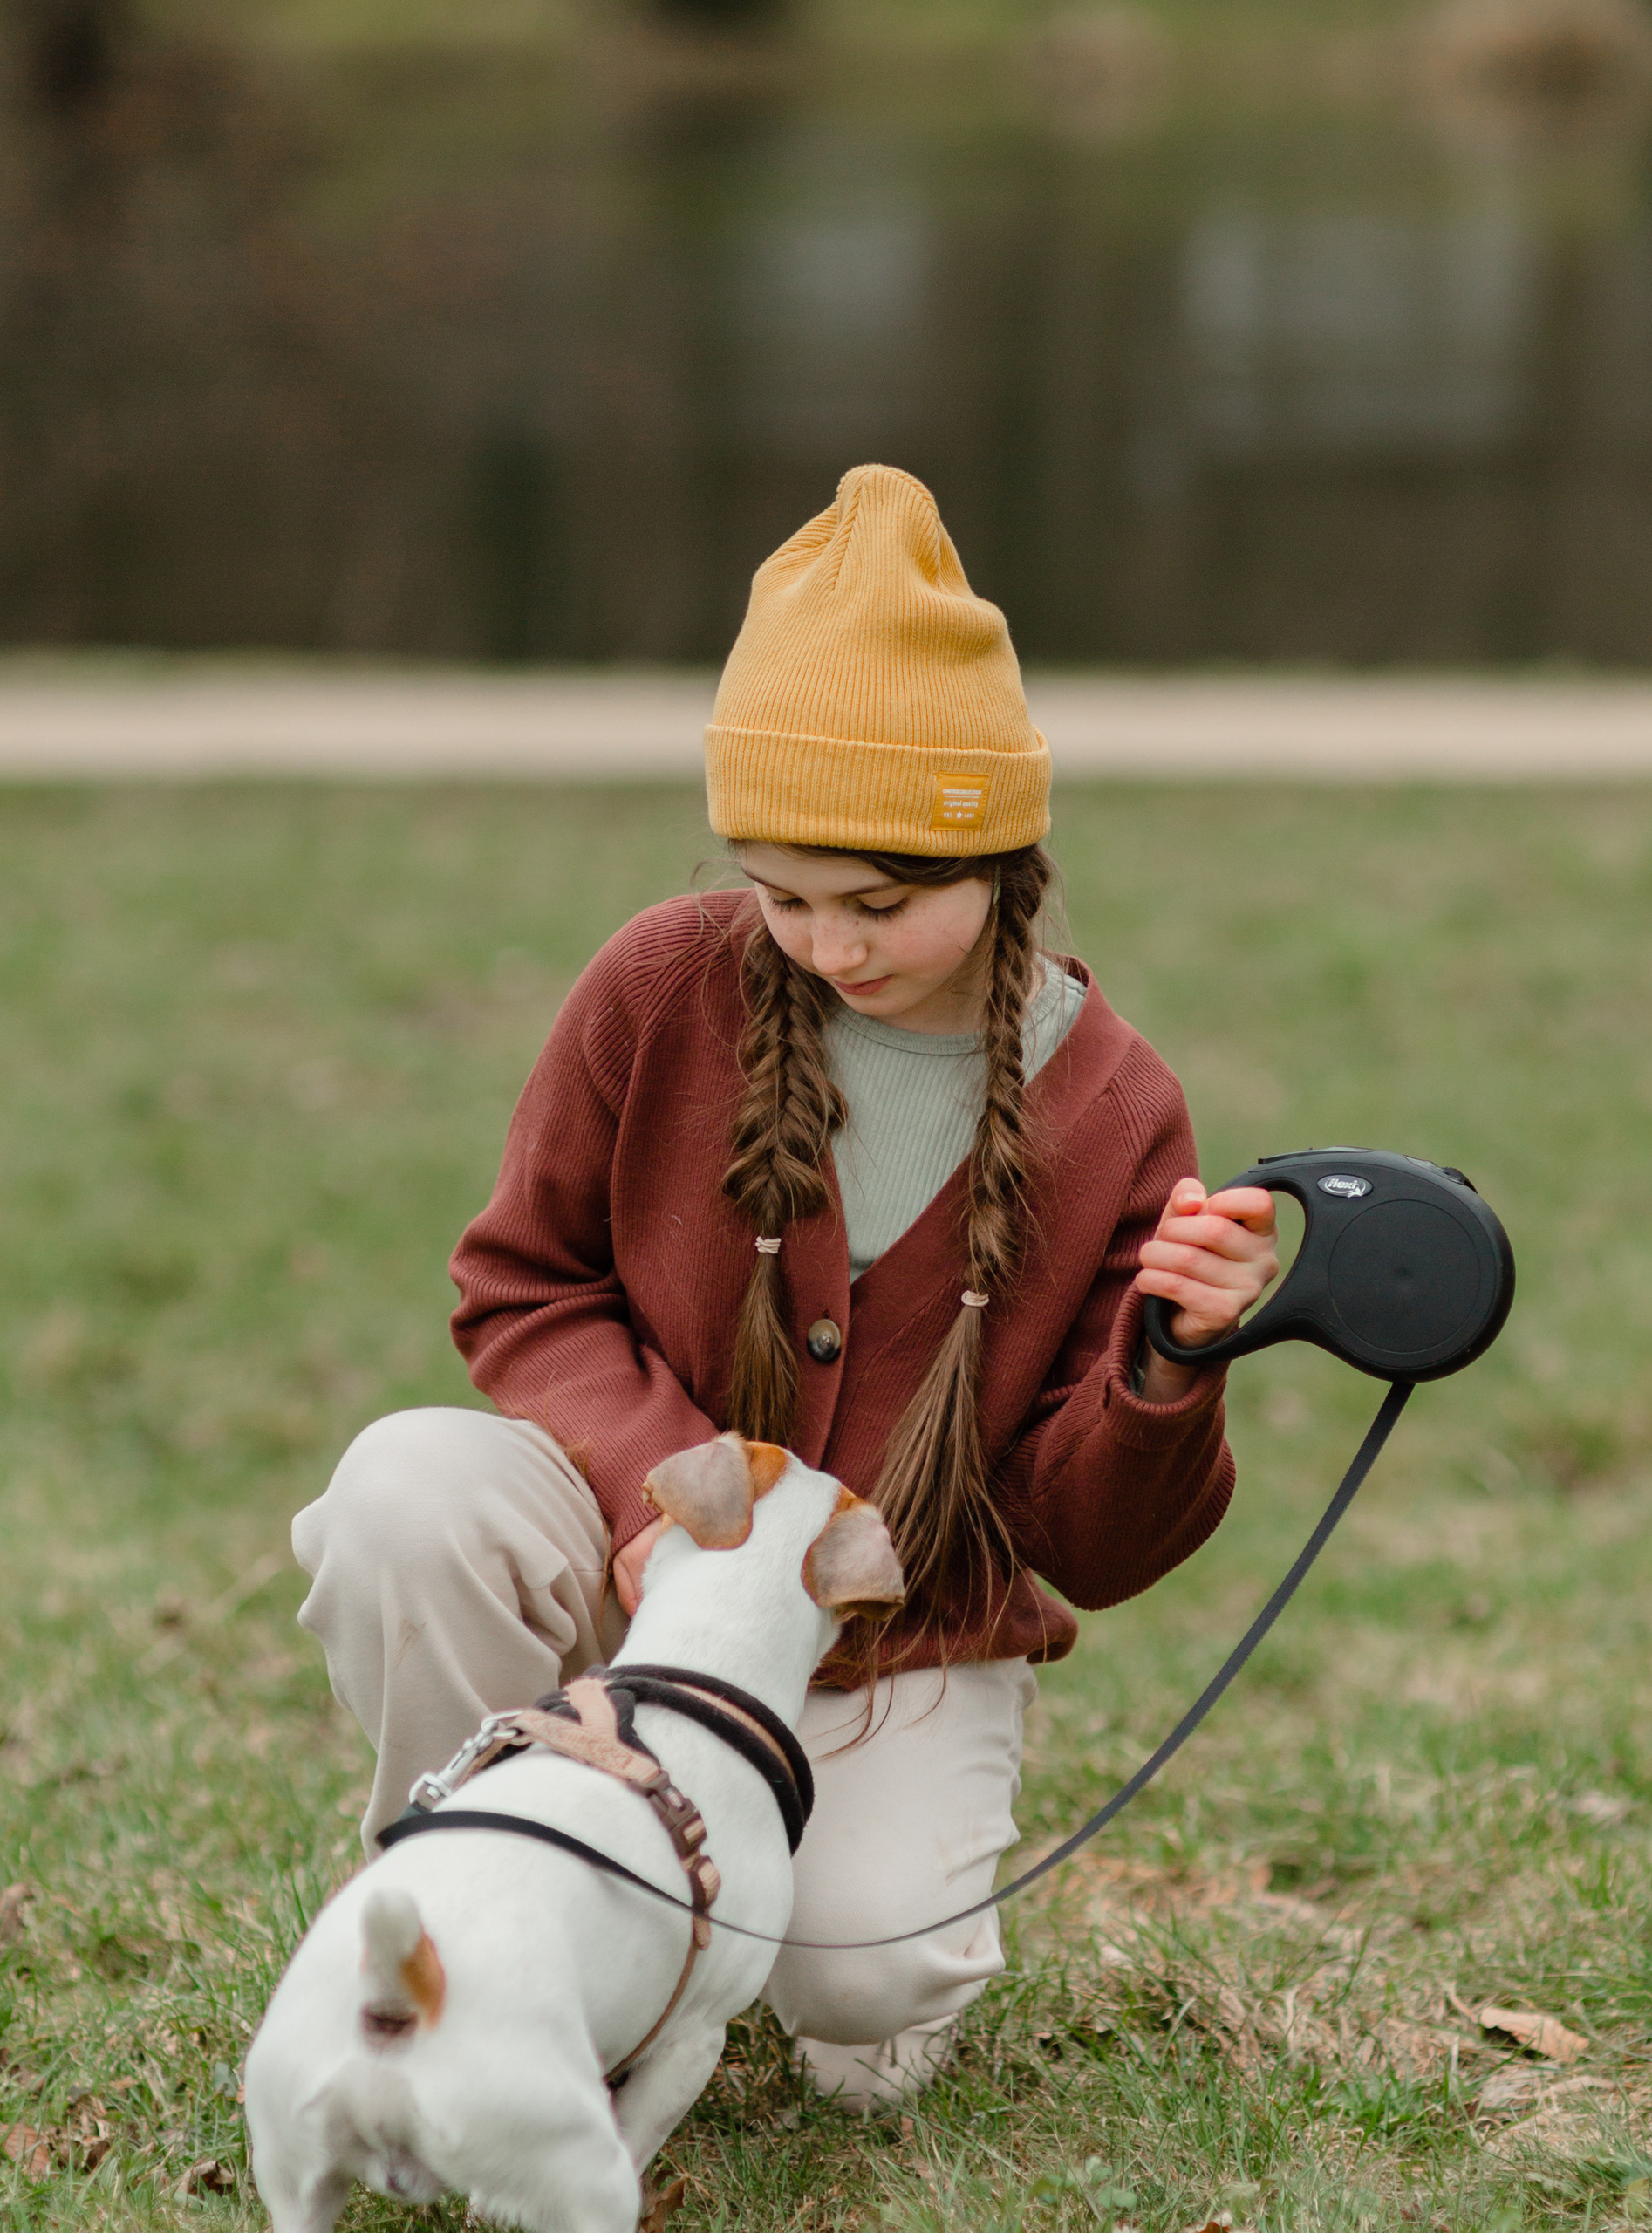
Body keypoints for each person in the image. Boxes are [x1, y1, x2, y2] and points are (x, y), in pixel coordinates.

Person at [290, 464, 1279, 2110]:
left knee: (860, 2001)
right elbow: (518, 1285)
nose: (828, 945)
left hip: (886, 1641)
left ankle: (794, 1922)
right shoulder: (661, 987)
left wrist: (1173, 1364)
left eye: (882, 904)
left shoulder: (1112, 1107)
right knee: (407, 1495)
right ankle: (482, 1919)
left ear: (1005, 860)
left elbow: (1089, 1541)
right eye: (784, 894)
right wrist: (677, 1508)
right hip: (632, 1577)